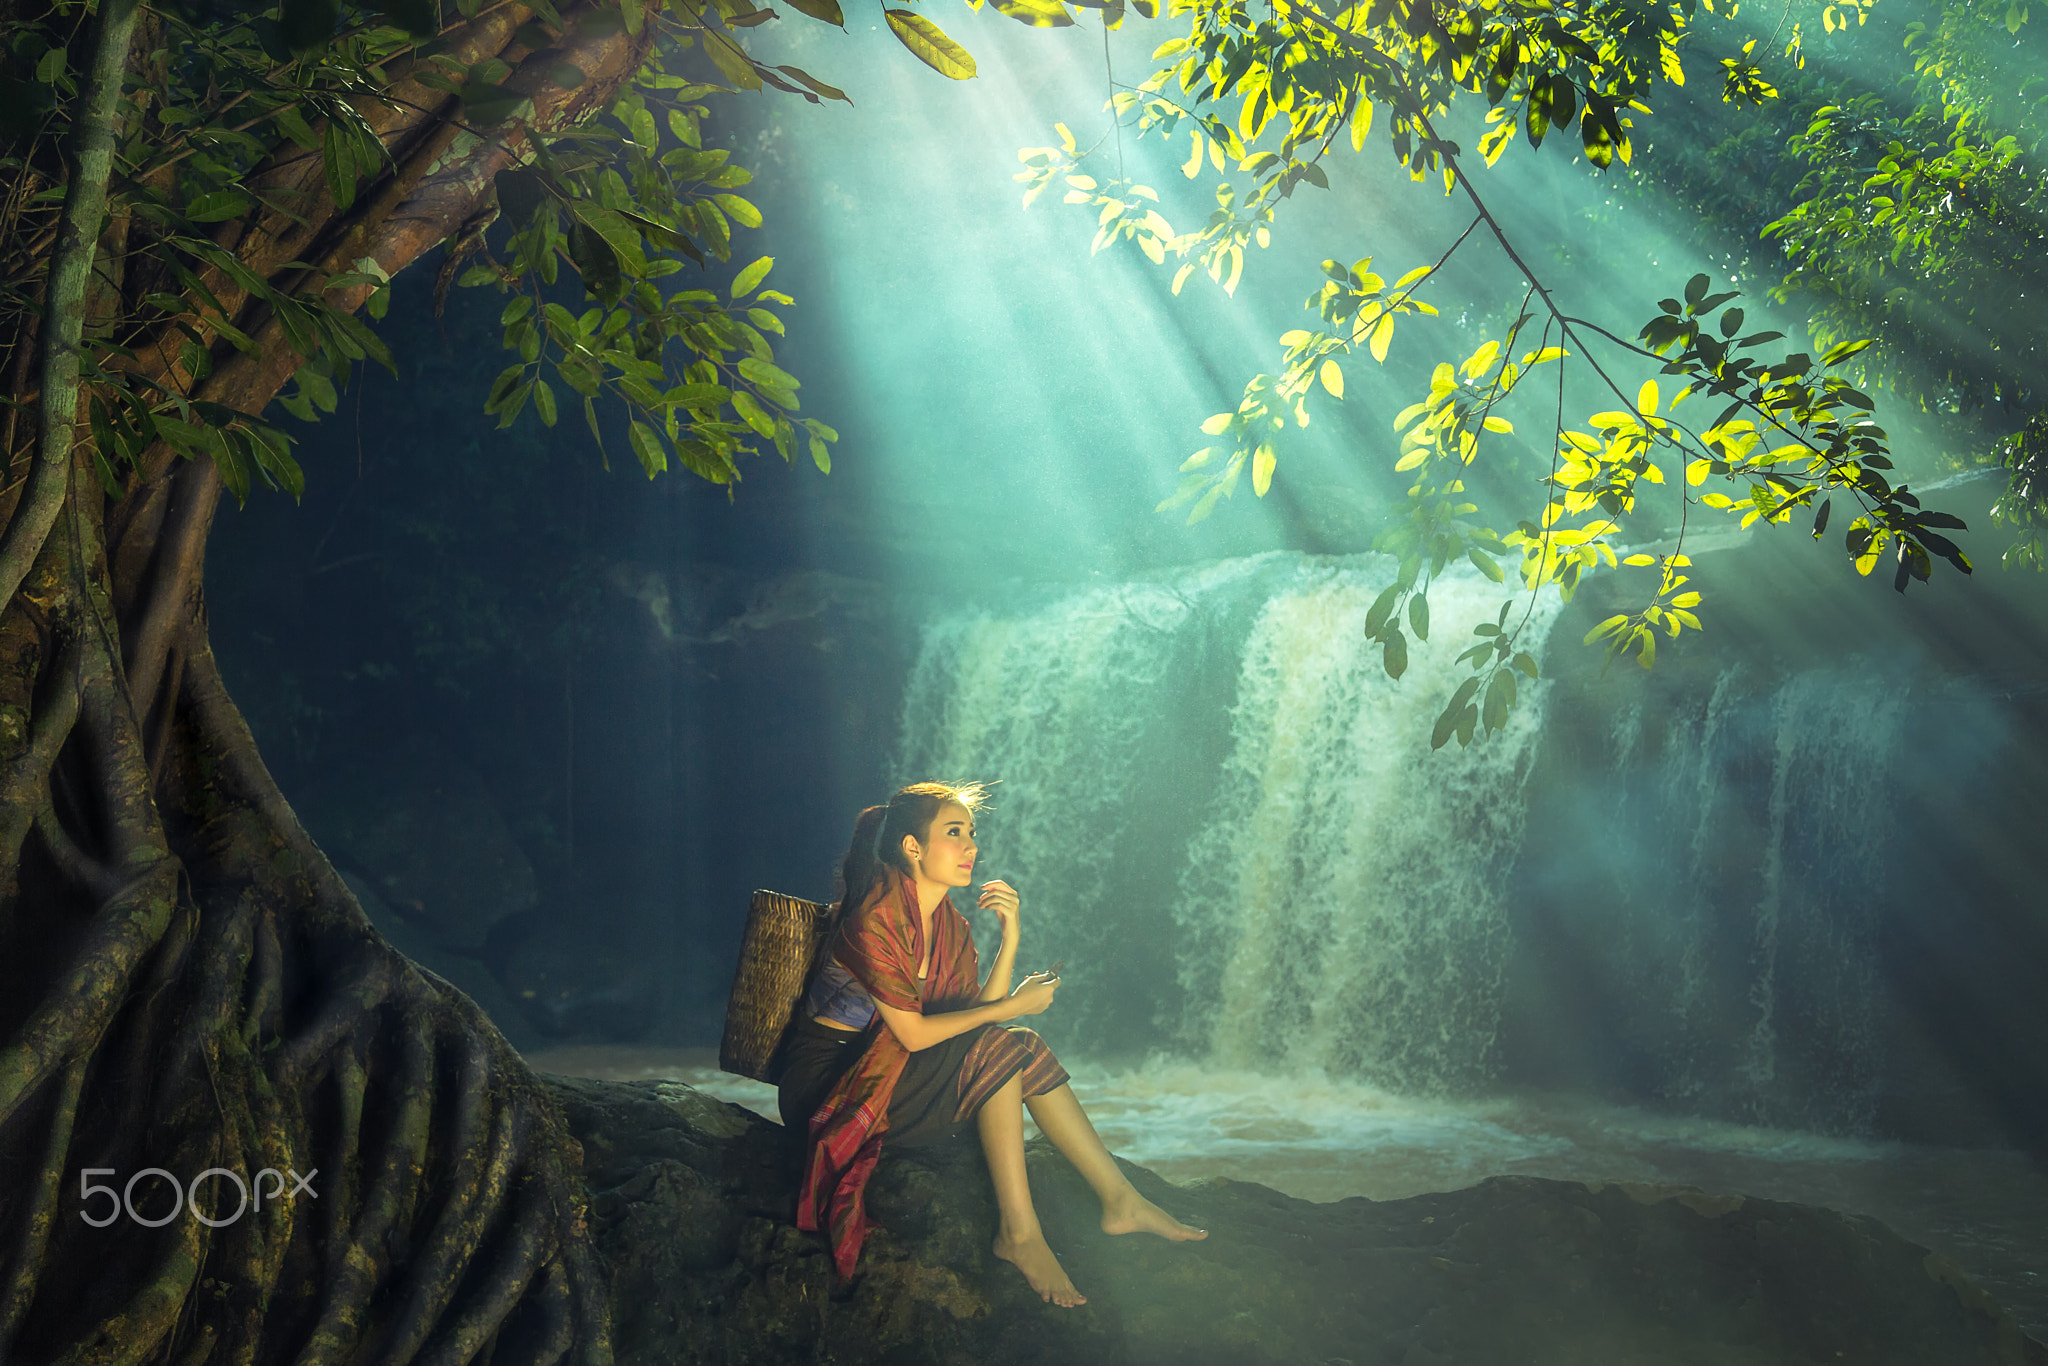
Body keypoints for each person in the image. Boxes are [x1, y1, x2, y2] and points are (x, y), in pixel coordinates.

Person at [777, 781, 1206, 1307]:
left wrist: (1011, 938)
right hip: (832, 1084)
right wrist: (1014, 1007)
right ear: (912, 847)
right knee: (1011, 1039)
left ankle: (1121, 1201)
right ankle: (1020, 1233)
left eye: (972, 834)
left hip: (894, 1071)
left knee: (1014, 1043)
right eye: (953, 833)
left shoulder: (948, 923)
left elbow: (974, 1022)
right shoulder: (874, 919)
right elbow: (917, 1032)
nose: (971, 847)